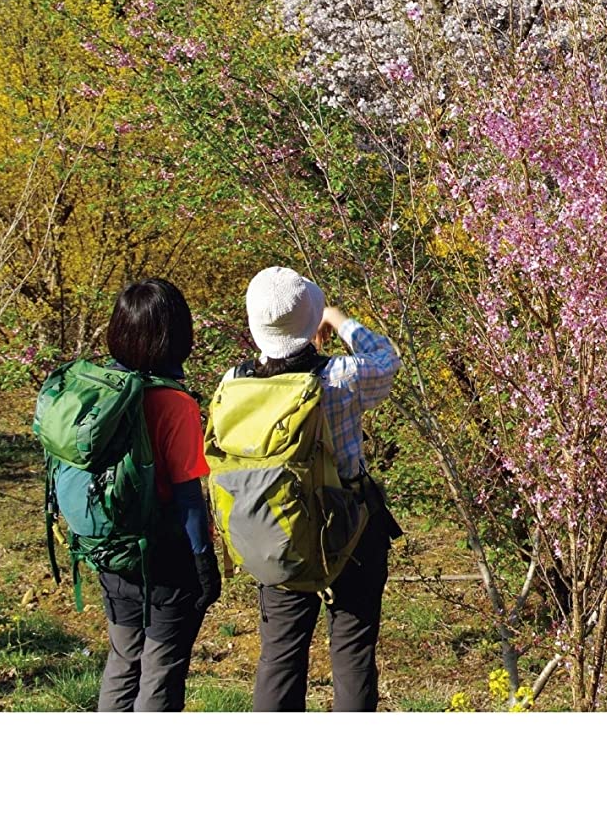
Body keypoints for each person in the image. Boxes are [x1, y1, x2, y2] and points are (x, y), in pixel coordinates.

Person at [229, 266, 401, 712]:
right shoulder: (341, 377)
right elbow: (387, 359)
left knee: (280, 655)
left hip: (278, 529)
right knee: (352, 651)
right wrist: (340, 321)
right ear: (310, 321)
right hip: (351, 527)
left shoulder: (234, 382)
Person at [93, 277, 223, 713]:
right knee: (161, 671)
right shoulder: (175, 403)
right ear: (176, 336)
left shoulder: (99, 389)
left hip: (110, 549)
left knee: (124, 660)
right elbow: (188, 496)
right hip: (166, 558)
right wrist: (204, 563)